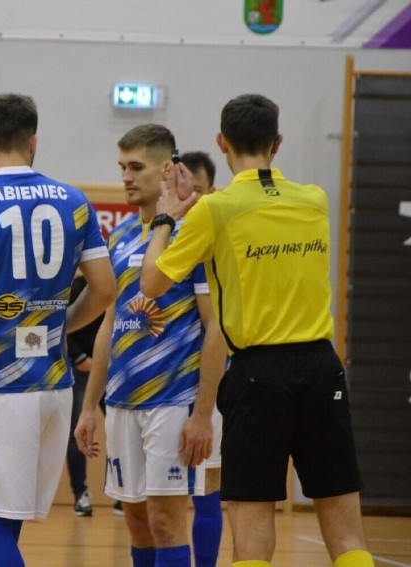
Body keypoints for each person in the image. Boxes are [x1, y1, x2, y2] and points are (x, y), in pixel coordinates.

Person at [140, 94, 373, 567]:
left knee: (252, 521)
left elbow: (152, 283)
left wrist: (169, 213)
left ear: (221, 142)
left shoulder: (215, 210)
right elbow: (252, 215)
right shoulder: (314, 200)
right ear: (278, 143)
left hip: (257, 375)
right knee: (347, 529)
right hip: (322, 369)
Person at [0, 93, 117, 567]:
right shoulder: (73, 200)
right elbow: (106, 288)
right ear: (34, 142)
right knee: (3, 519)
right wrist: (59, 325)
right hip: (55, 387)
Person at [74, 124, 228, 567]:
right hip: (123, 402)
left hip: (174, 401)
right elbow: (109, 325)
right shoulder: (120, 238)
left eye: (136, 167)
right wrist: (90, 406)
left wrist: (202, 414)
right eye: (122, 167)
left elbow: (215, 325)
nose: (126, 176)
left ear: (166, 170)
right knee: (137, 521)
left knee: (165, 521)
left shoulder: (193, 234)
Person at [180, 150, 224, 567]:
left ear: (212, 192)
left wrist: (204, 408)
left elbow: (218, 327)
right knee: (156, 506)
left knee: (207, 486)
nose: (189, 198)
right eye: (182, 190)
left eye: (197, 191)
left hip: (206, 387)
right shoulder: (159, 238)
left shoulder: (213, 248)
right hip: (158, 389)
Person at [65, 274, 104, 517]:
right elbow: (61, 326)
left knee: (123, 426)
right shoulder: (76, 287)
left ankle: (125, 494)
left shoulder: (117, 284)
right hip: (82, 369)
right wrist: (80, 358)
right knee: (78, 431)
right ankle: (80, 494)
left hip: (109, 367)